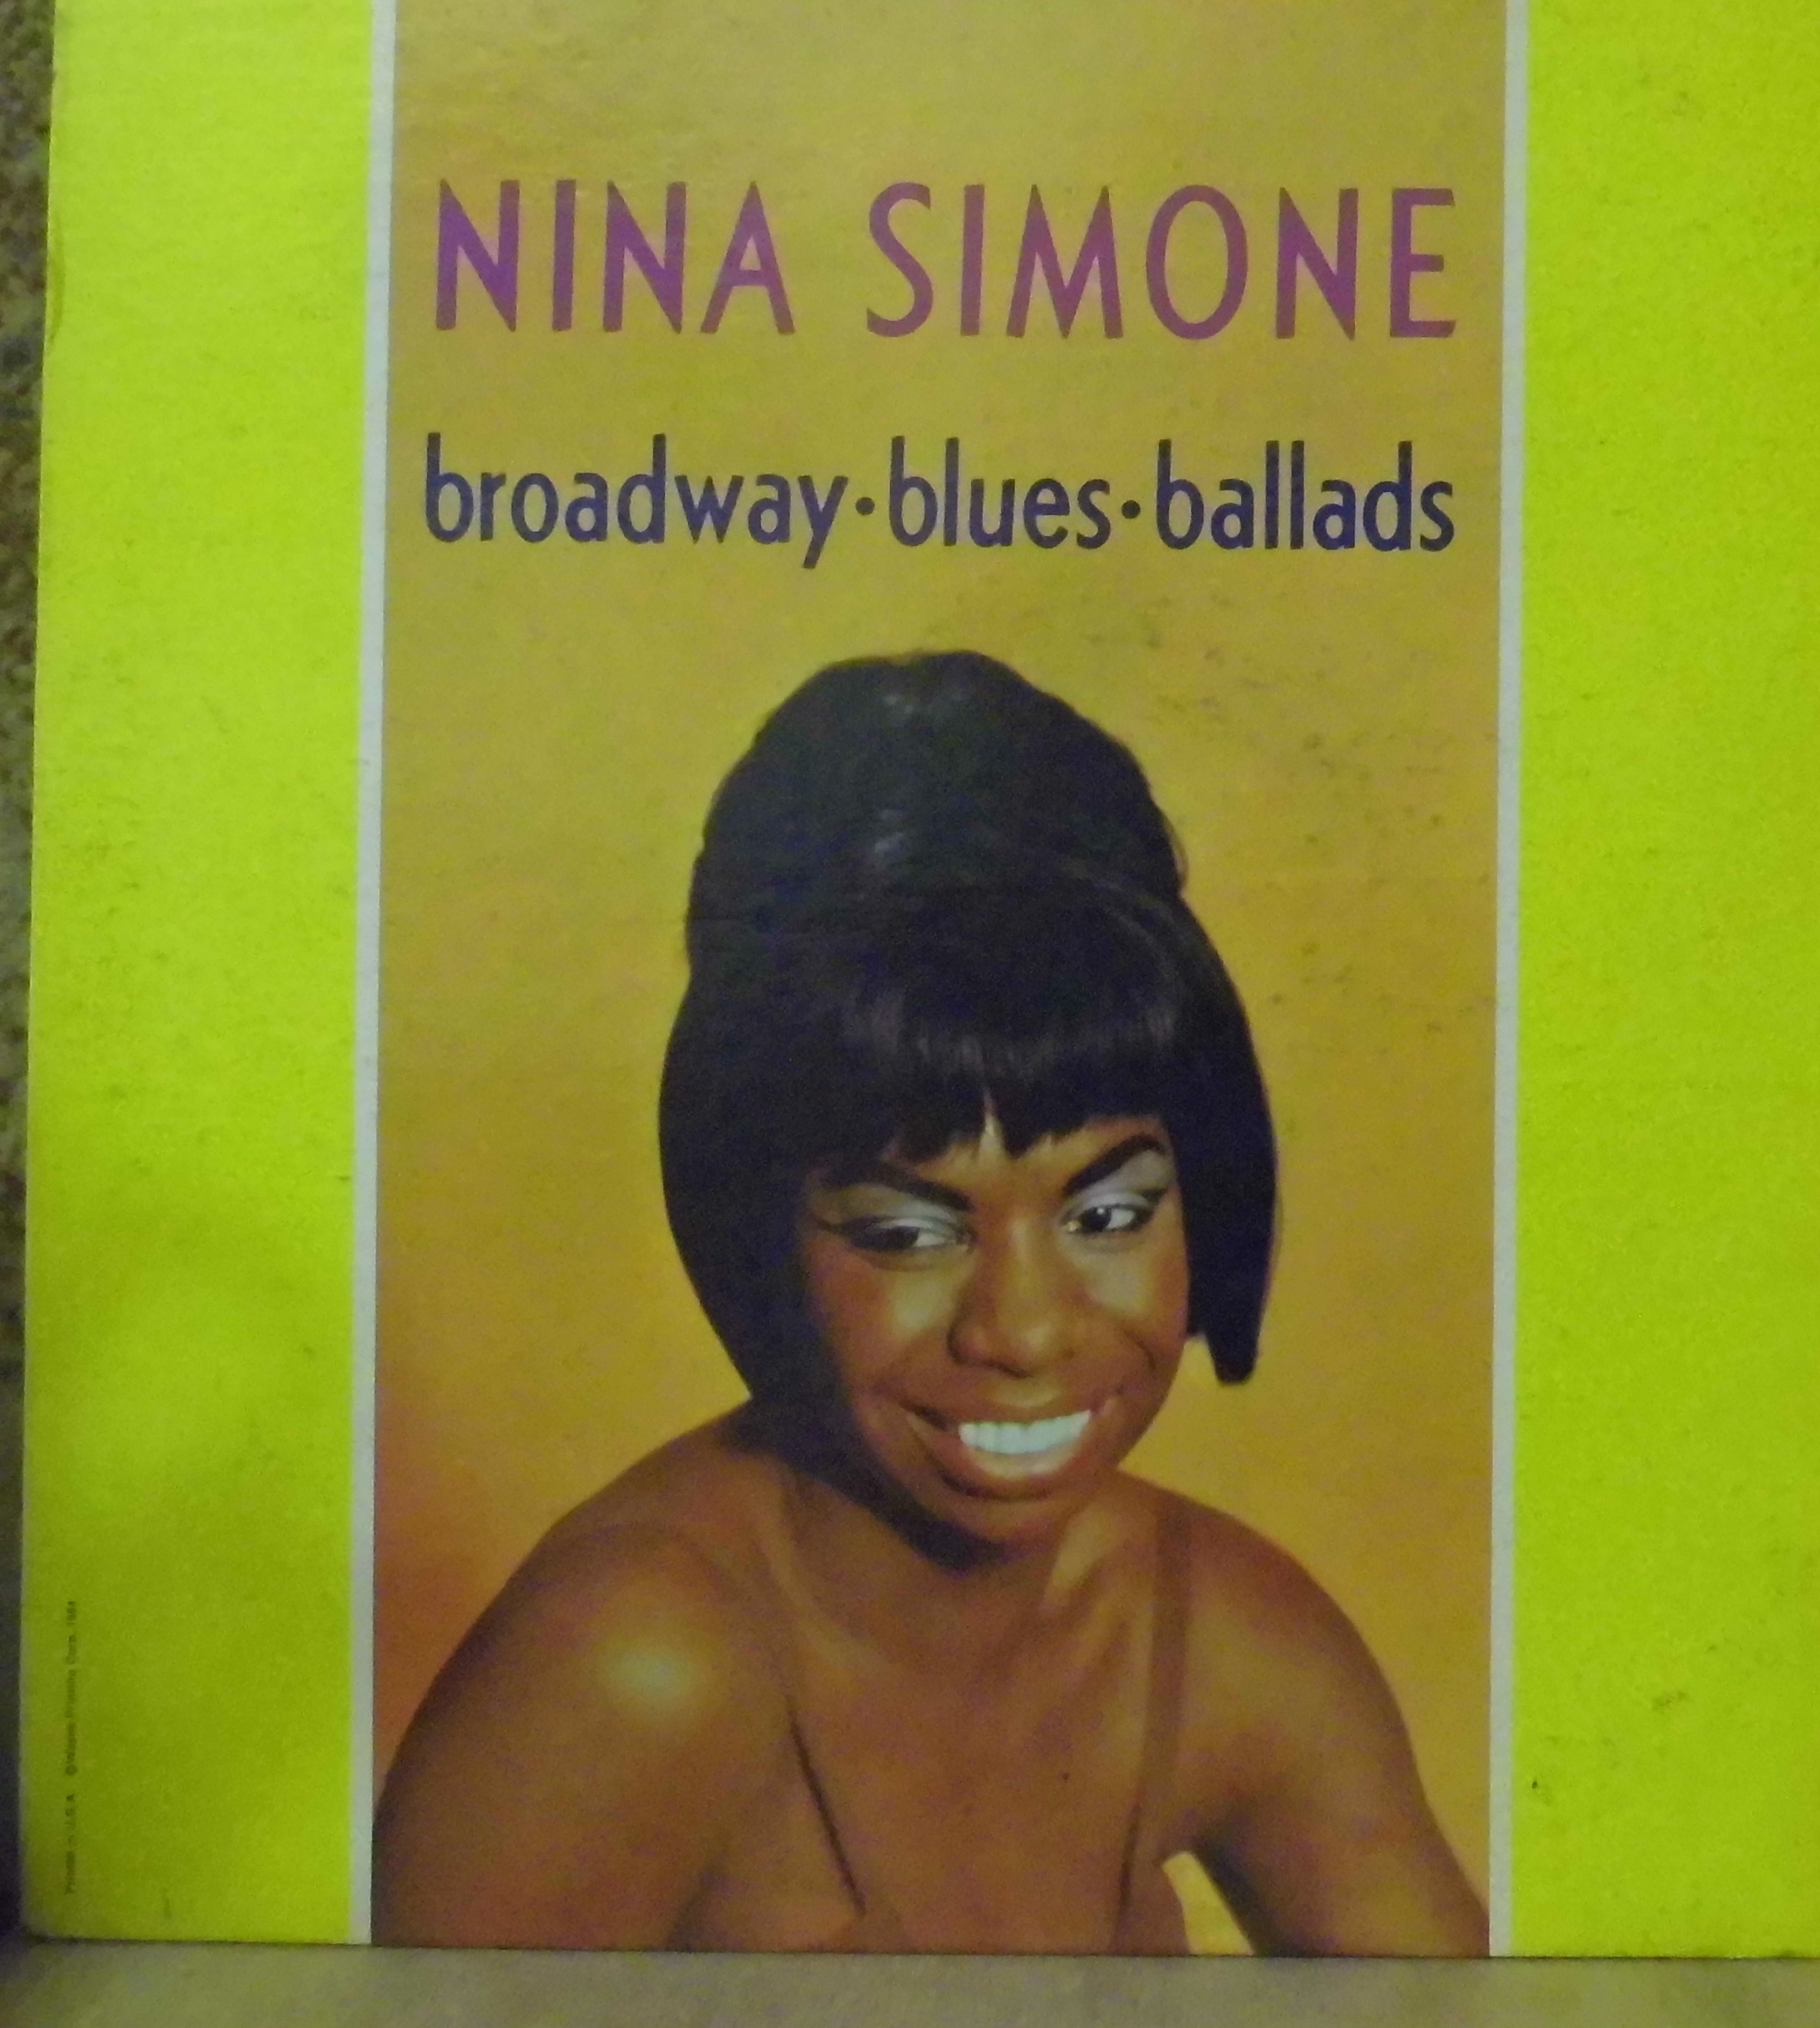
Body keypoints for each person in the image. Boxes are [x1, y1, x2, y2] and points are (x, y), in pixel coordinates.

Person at [373, 651, 1485, 1955]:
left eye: (1107, 1215)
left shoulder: (1219, 1634)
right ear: (753, 1231)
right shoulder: (635, 1665)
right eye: (908, 1233)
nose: (1023, 1328)